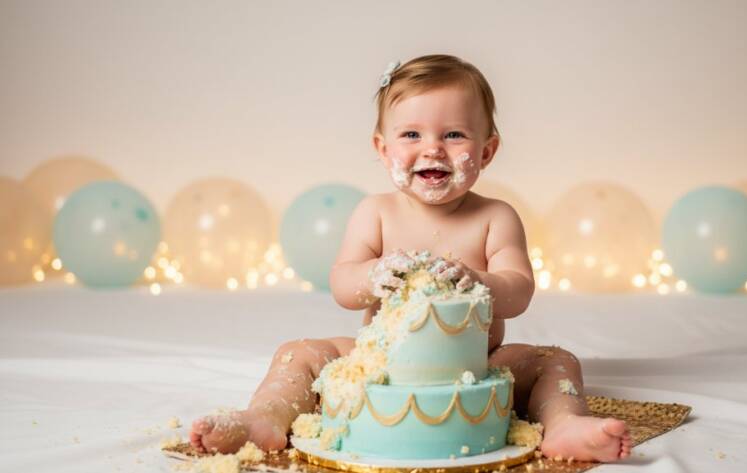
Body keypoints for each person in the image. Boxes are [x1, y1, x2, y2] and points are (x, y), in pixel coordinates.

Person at [190, 54, 631, 463]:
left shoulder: (495, 217)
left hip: (474, 365)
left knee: (557, 360)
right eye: (412, 134)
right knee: (298, 353)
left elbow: (518, 290)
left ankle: (564, 424)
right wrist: (372, 275)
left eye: (454, 134)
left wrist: (479, 280)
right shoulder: (375, 213)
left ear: (487, 150)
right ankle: (264, 420)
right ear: (384, 150)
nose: (433, 148)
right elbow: (344, 285)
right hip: (379, 365)